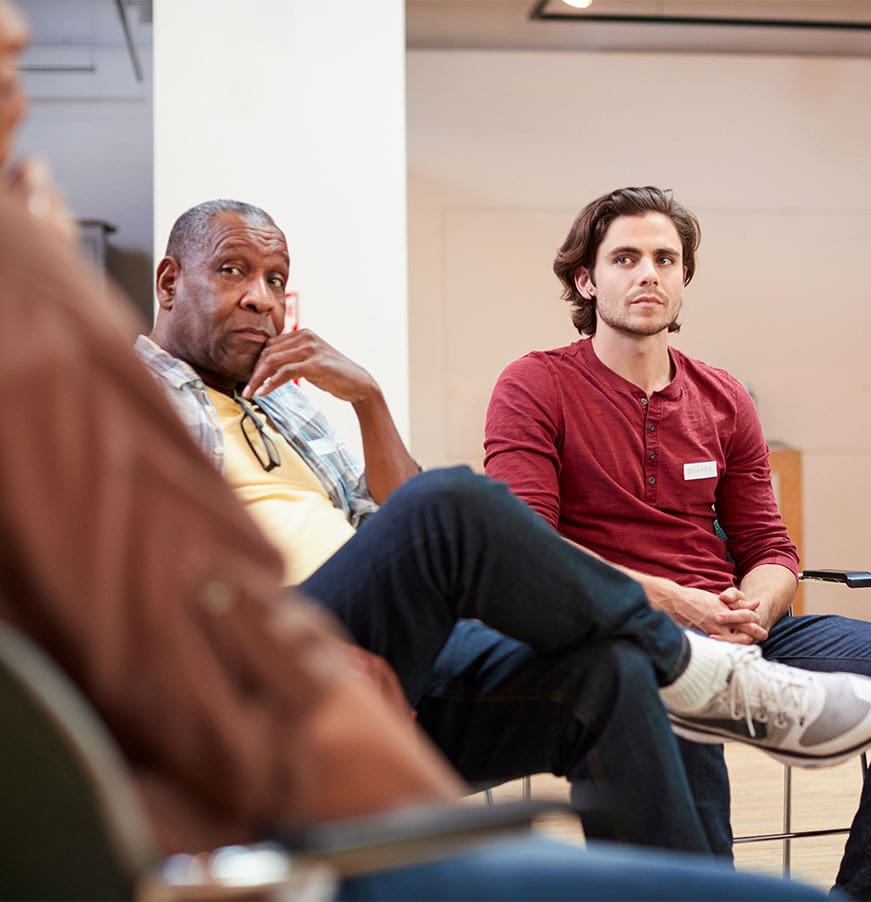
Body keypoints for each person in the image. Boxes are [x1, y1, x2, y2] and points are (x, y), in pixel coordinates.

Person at [136, 196, 871, 856]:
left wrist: (368, 401)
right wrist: (675, 611)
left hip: (411, 649)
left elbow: (389, 521)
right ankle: (695, 672)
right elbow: (147, 576)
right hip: (279, 657)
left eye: (274, 280)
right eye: (233, 272)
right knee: (455, 502)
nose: (260, 300)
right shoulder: (131, 397)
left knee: (612, 675)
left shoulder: (283, 399)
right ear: (170, 282)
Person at [483, 185, 871, 898]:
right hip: (618, 635)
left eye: (665, 258)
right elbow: (524, 546)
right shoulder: (533, 384)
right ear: (585, 279)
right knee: (673, 710)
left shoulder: (723, 397)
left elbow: (771, 549)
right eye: (624, 257)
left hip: (734, 626)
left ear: (684, 277)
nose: (647, 274)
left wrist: (752, 608)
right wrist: (678, 608)